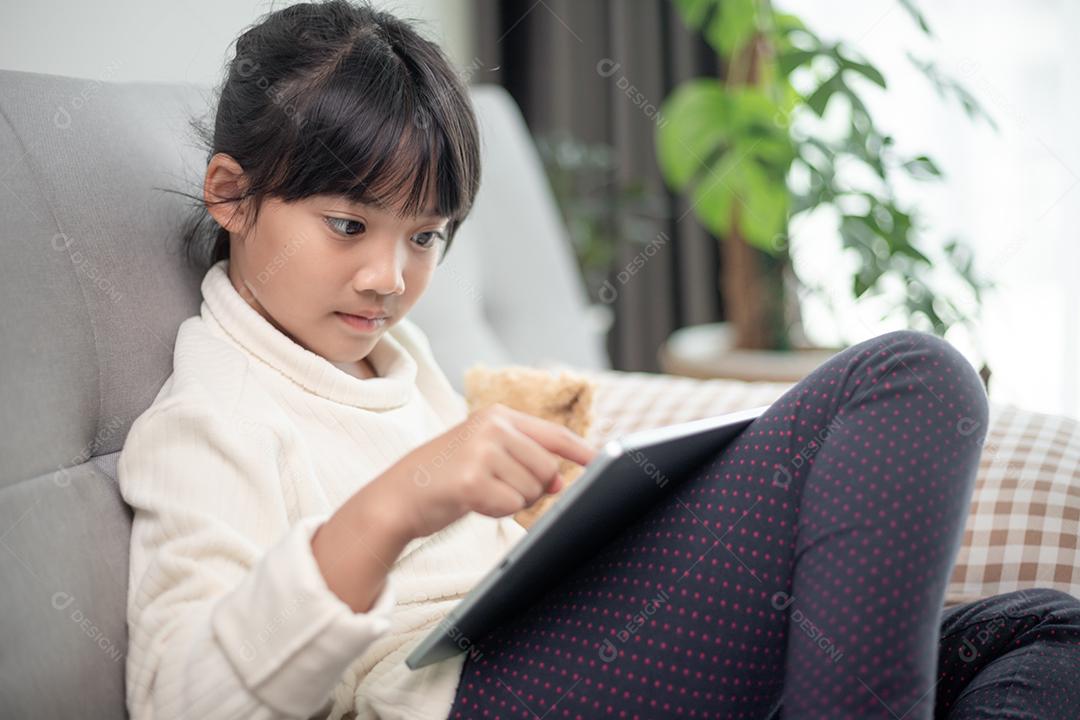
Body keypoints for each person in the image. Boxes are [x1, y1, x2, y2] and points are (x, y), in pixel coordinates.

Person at [118, 1, 1080, 718]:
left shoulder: (394, 359)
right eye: (347, 225)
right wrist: (396, 504)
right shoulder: (211, 417)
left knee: (1045, 632)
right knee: (911, 379)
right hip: (464, 698)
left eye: (425, 237)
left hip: (560, 652)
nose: (389, 278)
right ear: (230, 194)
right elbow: (179, 701)